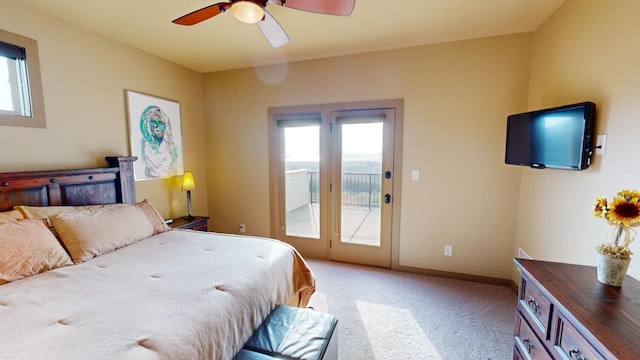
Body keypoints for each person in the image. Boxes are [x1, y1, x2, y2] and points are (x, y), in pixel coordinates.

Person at [139, 105, 178, 178]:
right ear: (149, 125)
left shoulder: (170, 144)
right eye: (153, 123)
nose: (157, 127)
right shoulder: (144, 143)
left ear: (165, 125)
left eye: (160, 123)